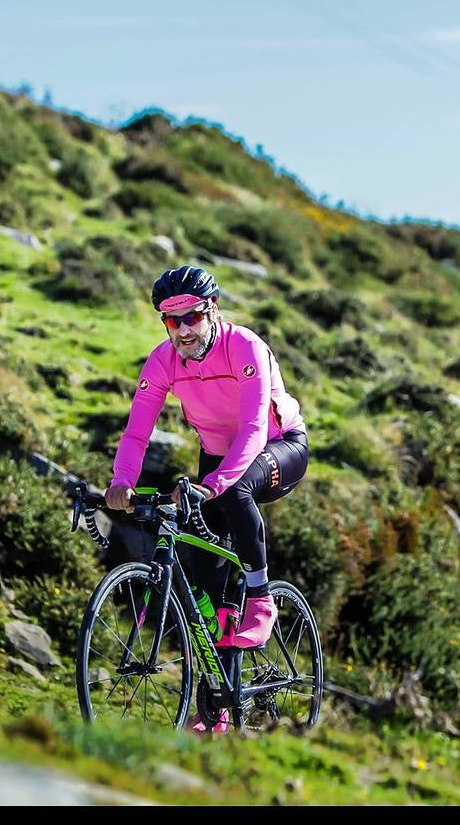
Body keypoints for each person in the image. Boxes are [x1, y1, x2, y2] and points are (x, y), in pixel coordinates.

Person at [104, 265, 308, 732]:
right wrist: (121, 482)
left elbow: (256, 429)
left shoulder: (246, 347)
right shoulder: (162, 362)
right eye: (171, 322)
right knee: (204, 575)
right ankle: (216, 709)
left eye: (190, 318)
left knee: (235, 491)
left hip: (278, 447)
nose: (181, 331)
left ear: (212, 310)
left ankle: (260, 599)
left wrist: (214, 485)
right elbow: (138, 430)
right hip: (216, 457)